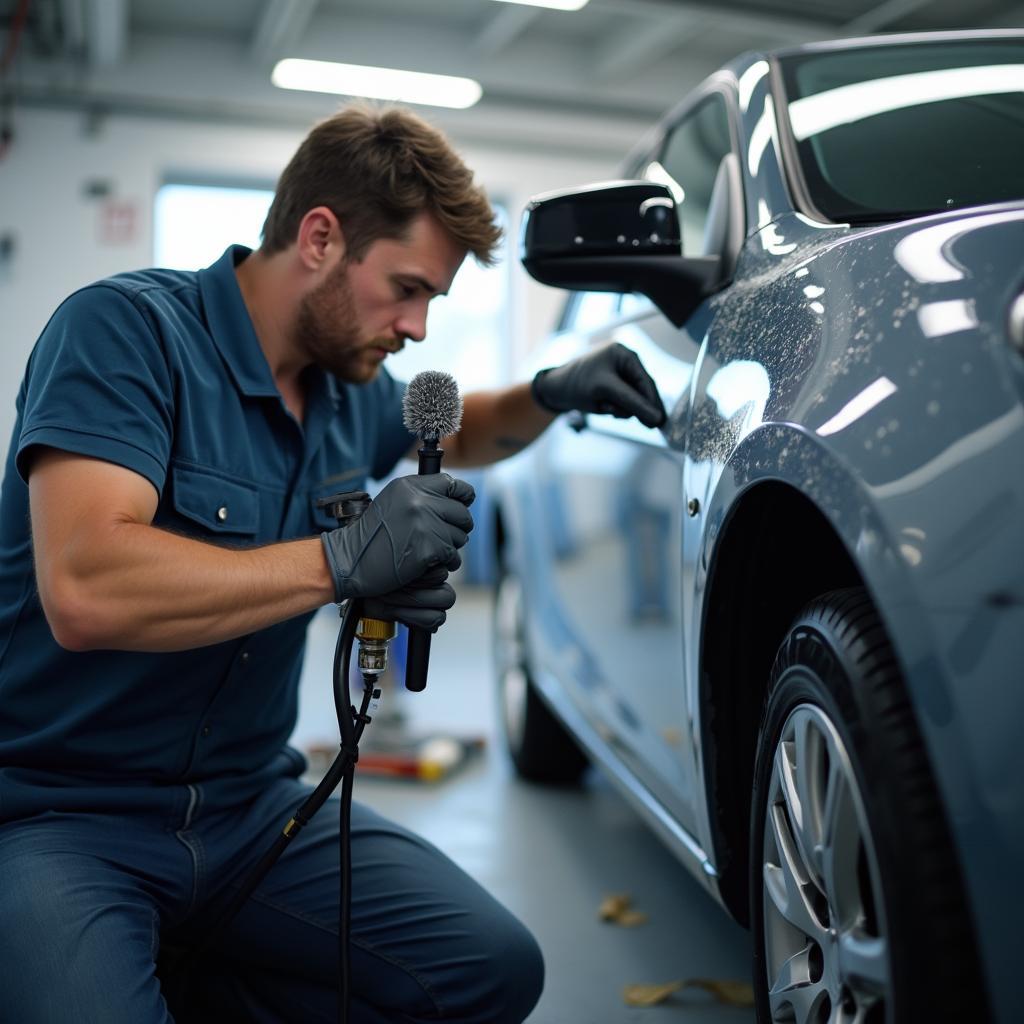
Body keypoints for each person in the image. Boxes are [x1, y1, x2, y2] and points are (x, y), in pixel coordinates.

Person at [0, 103, 666, 1022]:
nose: (419, 326)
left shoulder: (351, 390)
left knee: (491, 967)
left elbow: (460, 425)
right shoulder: (124, 335)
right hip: (64, 815)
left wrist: (553, 391)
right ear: (320, 238)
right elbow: (85, 584)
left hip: (248, 810)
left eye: (432, 299)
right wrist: (345, 558)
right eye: (405, 288)